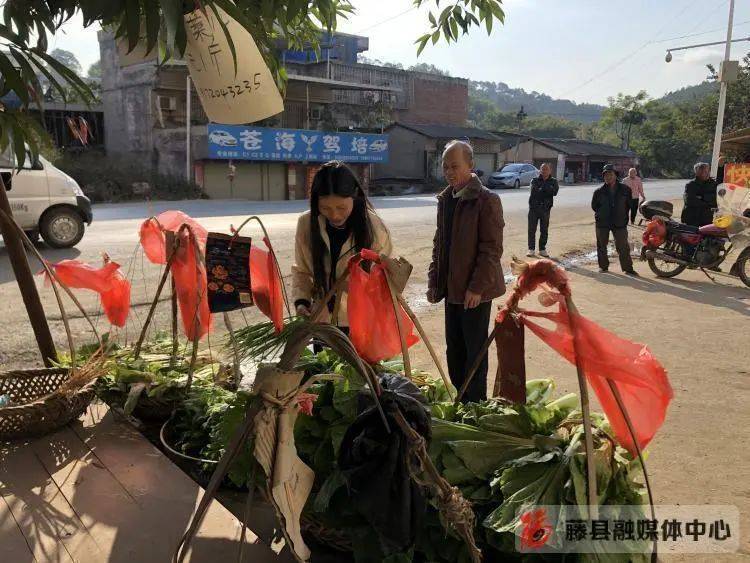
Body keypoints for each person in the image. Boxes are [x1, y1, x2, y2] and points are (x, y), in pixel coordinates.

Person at [427, 140, 505, 403]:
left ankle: (475, 403)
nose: (449, 172)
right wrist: (434, 279)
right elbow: (440, 243)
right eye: (445, 166)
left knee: (475, 351)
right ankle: (460, 397)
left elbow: (491, 250)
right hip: (452, 289)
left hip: (475, 292)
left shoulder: (487, 200)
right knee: (455, 349)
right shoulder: (446, 199)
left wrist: (477, 287)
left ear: (471, 166)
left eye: (455, 166)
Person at [292, 161, 392, 330]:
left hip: (361, 321)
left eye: (341, 207)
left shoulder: (374, 227)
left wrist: (349, 287)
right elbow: (302, 270)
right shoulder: (306, 224)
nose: (335, 215)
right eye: (325, 208)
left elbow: (384, 278)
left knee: (358, 357)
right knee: (321, 357)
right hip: (321, 320)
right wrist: (302, 302)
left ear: (354, 196)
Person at [591, 164, 638, 276]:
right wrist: (603, 212)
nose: (608, 177)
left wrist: (624, 215)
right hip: (602, 222)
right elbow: (594, 206)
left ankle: (628, 268)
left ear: (615, 175)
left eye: (610, 174)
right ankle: (603, 267)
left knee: (623, 246)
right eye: (606, 175)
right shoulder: (598, 191)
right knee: (602, 245)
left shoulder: (625, 189)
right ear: (603, 177)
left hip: (620, 222)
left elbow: (629, 205)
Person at [527, 162, 559, 257]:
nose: (544, 171)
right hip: (534, 209)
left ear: (550, 171)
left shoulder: (554, 181)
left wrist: (542, 188)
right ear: (540, 170)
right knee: (532, 230)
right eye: (543, 169)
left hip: (545, 209)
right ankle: (531, 249)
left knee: (544, 230)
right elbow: (534, 192)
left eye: (546, 169)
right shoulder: (534, 180)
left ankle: (542, 249)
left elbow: (555, 192)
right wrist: (547, 189)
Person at [681, 162, 718, 227]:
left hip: (707, 219)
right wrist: (707, 203)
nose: (707, 174)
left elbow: (717, 199)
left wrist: (702, 197)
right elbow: (689, 200)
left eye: (707, 171)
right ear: (697, 173)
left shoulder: (714, 184)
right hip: (691, 219)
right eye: (703, 172)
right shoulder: (690, 185)